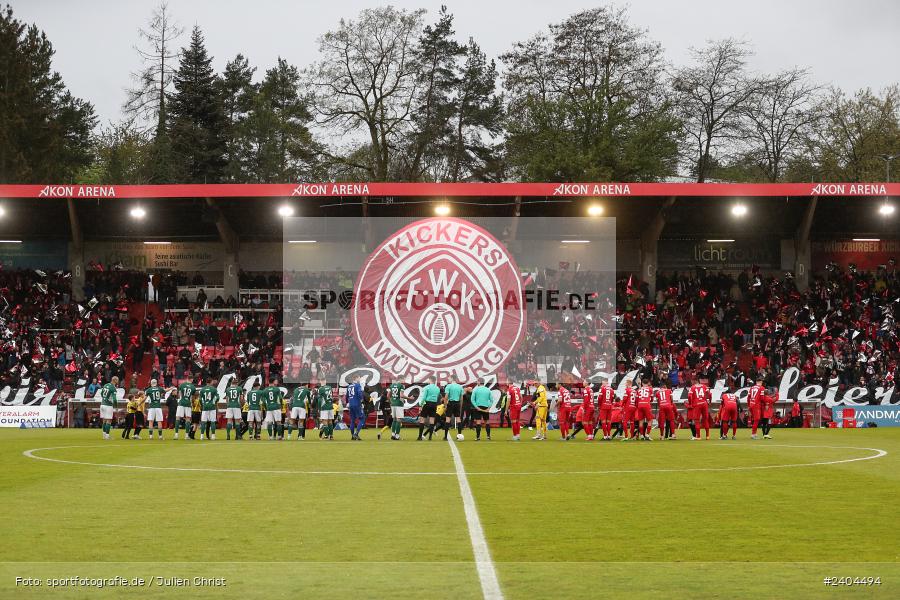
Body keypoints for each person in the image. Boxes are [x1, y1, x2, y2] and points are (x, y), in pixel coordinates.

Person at [416, 376, 442, 441]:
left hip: (427, 403)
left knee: (422, 420)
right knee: (432, 421)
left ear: (430, 380)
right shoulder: (437, 388)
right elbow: (438, 397)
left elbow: (424, 397)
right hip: (434, 404)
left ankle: (420, 437)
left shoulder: (426, 387)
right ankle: (430, 437)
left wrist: (420, 405)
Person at [443, 375, 465, 440]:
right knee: (458, 419)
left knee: (447, 419)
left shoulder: (449, 386)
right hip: (457, 403)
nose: (448, 379)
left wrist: (445, 405)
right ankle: (459, 435)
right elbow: (461, 398)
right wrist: (460, 406)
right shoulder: (460, 386)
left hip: (450, 403)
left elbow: (446, 397)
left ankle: (445, 437)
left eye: (449, 378)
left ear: (452, 378)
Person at [99, 376, 119, 440]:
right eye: (117, 380)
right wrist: (116, 406)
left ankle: (104, 435)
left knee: (104, 420)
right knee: (109, 421)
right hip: (108, 405)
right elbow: (115, 399)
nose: (118, 381)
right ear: (115, 380)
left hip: (102, 404)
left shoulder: (105, 385)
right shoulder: (113, 388)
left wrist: (105, 399)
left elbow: (101, 393)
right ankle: (107, 436)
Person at [346, 375, 364, 441]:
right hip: (357, 404)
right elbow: (359, 393)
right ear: (356, 378)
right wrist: (361, 400)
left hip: (351, 404)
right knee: (362, 418)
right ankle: (356, 434)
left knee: (352, 420)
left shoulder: (349, 386)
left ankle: (352, 436)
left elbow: (347, 396)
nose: (360, 379)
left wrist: (348, 403)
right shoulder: (358, 385)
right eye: (359, 378)